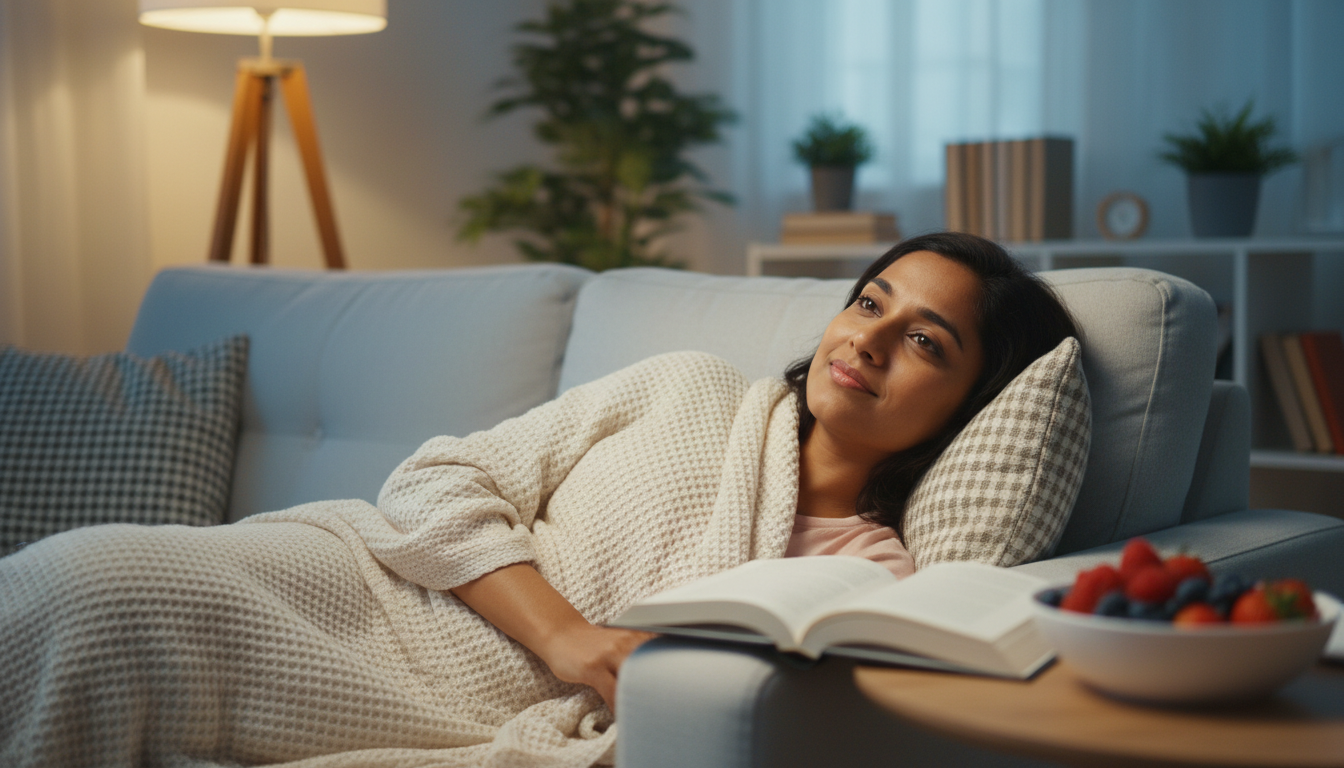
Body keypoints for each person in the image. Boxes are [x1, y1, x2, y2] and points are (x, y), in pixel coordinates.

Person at [0, 232, 1077, 768]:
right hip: (371, 576)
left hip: (460, 700)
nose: (871, 339)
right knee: (80, 582)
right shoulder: (687, 385)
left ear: (969, 404)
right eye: (870, 301)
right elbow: (433, 480)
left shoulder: (874, 575)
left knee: (93, 614)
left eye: (925, 341)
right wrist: (570, 640)